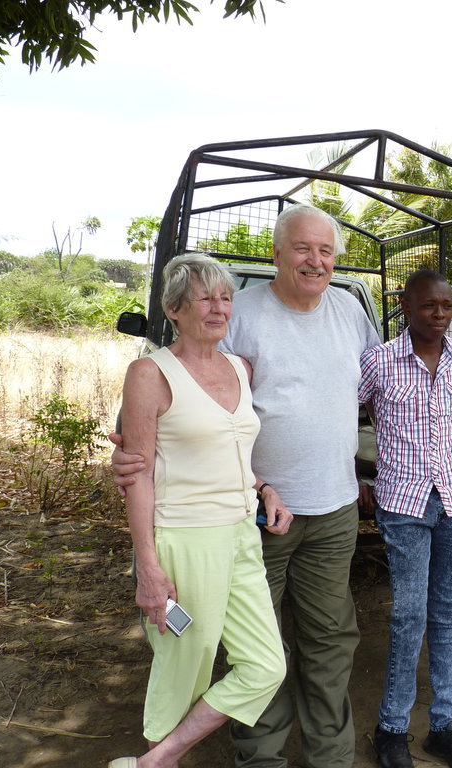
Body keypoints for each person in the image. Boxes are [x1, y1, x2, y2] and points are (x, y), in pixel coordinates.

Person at [113, 205, 380, 768]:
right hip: (249, 516)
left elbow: (378, 388)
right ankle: (261, 758)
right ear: (277, 255)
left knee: (329, 637)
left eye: (326, 251)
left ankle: (332, 757)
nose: (316, 260)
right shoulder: (242, 314)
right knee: (250, 647)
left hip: (329, 506)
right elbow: (173, 411)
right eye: (303, 249)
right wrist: (135, 459)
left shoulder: (352, 311)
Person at [108, 254, 289, 768]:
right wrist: (148, 565)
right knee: (185, 662)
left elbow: (227, 448)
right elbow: (137, 472)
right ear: (173, 309)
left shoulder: (239, 367)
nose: (218, 307)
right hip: (184, 540)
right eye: (204, 297)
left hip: (240, 536)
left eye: (225, 297)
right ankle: (160, 758)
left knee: (265, 665)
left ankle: (158, 759)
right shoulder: (150, 372)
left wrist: (263, 487)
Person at [358, 270, 452, 768]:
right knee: (408, 615)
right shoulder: (380, 360)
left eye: (447, 306)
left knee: (448, 614)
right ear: (406, 307)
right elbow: (344, 416)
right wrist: (357, 477)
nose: (439, 314)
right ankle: (391, 728)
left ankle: (444, 725)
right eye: (429, 305)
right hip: (404, 504)